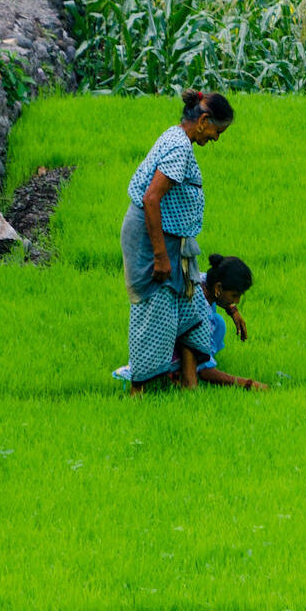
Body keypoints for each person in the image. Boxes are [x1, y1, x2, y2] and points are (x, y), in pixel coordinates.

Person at [121, 89, 233, 393]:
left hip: (173, 240)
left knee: (190, 306)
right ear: (203, 120)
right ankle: (138, 391)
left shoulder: (178, 138)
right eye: (217, 131)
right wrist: (160, 256)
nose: (217, 138)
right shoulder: (178, 147)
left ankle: (189, 383)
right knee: (153, 312)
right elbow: (151, 198)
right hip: (151, 239)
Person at [113, 254, 268, 390]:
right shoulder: (199, 311)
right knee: (214, 326)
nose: (237, 301)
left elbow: (207, 280)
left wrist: (233, 310)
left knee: (219, 323)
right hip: (161, 353)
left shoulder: (199, 282)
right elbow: (206, 372)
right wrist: (247, 384)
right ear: (218, 288)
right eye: (234, 295)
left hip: (160, 339)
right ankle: (179, 371)